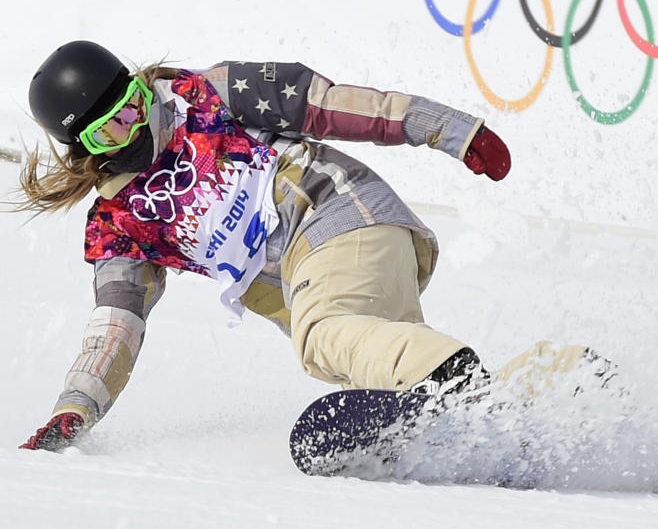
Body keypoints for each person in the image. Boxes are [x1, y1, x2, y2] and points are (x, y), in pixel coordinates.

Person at [16, 40, 510, 452]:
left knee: (322, 338)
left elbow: (328, 104)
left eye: (134, 104)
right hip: (319, 277)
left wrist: (447, 128)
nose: (136, 125)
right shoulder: (120, 222)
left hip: (337, 212)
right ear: (85, 147)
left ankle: (451, 379)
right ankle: (537, 396)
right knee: (373, 363)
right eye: (110, 130)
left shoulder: (205, 95)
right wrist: (74, 408)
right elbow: (116, 324)